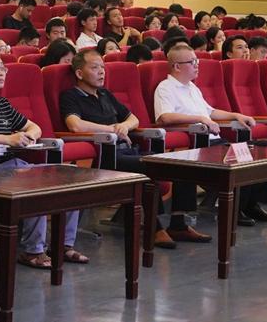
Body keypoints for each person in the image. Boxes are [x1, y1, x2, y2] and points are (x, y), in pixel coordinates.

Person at [61, 49, 212, 247]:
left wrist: (124, 126)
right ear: (80, 73)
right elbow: (75, 125)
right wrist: (112, 129)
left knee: (179, 163)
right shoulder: (71, 96)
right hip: (106, 155)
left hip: (128, 149)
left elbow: (133, 119)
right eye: (95, 67)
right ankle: (155, 228)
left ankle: (178, 224)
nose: (101, 72)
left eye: (103, 67)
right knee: (153, 166)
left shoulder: (105, 94)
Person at [0, 51, 87, 267]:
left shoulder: (2, 104)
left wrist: (29, 136)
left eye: (3, 68)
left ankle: (63, 245)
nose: (2, 72)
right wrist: (8, 139)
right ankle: (33, 252)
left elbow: (34, 127)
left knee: (69, 178)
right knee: (34, 182)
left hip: (16, 166)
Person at [154, 44, 267, 226]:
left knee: (266, 152)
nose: (197, 65)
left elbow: (211, 112)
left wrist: (236, 115)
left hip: (214, 140)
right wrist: (200, 119)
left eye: (196, 60)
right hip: (197, 143)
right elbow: (164, 117)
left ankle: (251, 205)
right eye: (192, 62)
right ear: (177, 66)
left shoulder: (192, 87)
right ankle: (236, 210)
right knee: (242, 157)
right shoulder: (165, 88)